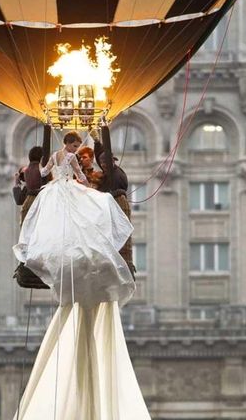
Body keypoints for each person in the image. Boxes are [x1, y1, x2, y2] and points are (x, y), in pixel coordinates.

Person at [13, 131, 149, 419]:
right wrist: (85, 184)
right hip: (67, 192)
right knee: (92, 212)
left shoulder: (55, 158)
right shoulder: (71, 158)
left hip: (56, 193)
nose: (75, 148)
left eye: (77, 145)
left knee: (63, 221)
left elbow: (49, 172)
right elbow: (79, 176)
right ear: (70, 144)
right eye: (74, 144)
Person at [93, 137, 136, 275]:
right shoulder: (111, 171)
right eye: (101, 164)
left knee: (118, 235)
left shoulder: (115, 175)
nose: (102, 166)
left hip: (116, 205)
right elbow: (102, 154)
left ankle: (122, 264)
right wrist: (96, 142)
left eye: (105, 164)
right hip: (112, 203)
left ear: (111, 162)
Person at [13, 146, 50, 289]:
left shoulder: (27, 173)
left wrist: (17, 183)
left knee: (28, 237)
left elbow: (19, 200)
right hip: (41, 206)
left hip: (29, 207)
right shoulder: (43, 172)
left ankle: (27, 262)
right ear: (41, 158)